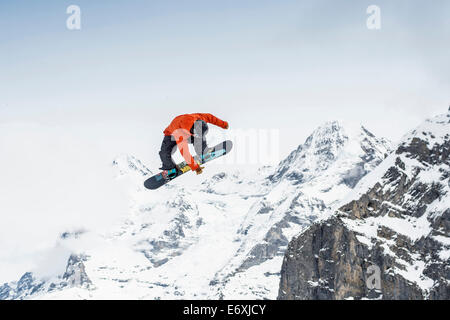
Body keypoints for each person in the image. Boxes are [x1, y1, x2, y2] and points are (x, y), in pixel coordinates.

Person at [159, 113, 229, 175]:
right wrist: (195, 167)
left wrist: (224, 124)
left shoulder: (199, 117)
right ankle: (169, 167)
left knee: (199, 138)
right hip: (171, 135)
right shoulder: (180, 132)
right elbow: (184, 152)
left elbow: (211, 117)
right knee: (164, 153)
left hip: (189, 131)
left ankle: (203, 151)